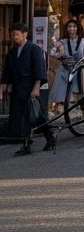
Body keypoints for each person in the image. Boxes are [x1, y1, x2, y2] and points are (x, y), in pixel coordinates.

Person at [1, 21, 56, 155]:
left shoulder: (34, 49)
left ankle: (27, 145)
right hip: (17, 89)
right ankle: (49, 137)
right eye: (12, 35)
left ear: (25, 34)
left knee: (31, 116)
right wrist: (3, 86)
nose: (14, 37)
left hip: (30, 88)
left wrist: (36, 87)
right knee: (27, 117)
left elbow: (39, 70)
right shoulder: (13, 52)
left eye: (17, 34)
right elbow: (7, 71)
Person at [49, 19, 84, 116]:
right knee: (62, 90)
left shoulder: (83, 41)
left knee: (78, 91)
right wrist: (62, 57)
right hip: (65, 68)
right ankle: (57, 111)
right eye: (69, 26)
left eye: (74, 26)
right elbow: (52, 52)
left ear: (77, 28)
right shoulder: (63, 41)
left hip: (78, 68)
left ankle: (82, 110)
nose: (72, 29)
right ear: (66, 29)